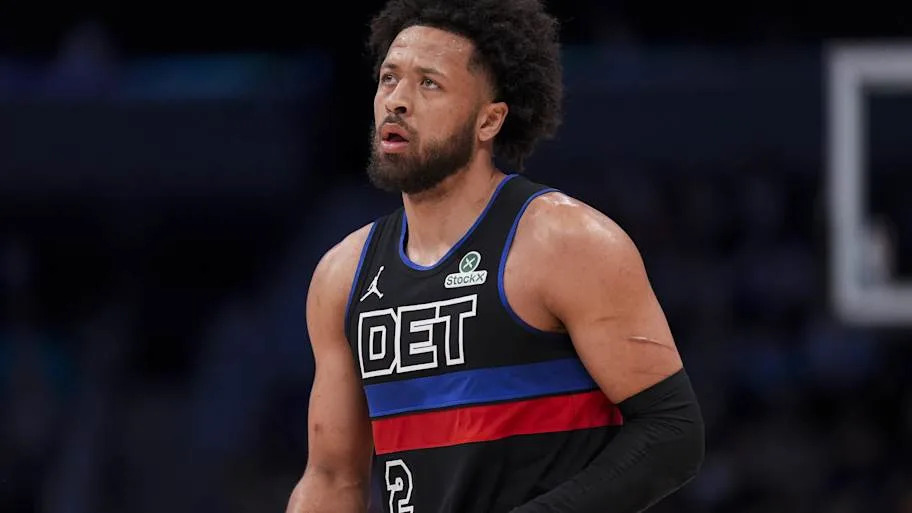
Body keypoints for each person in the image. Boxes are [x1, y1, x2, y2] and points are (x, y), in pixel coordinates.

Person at [286, 1, 704, 511]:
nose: (396, 101)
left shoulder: (565, 241)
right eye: (389, 79)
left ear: (489, 121)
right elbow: (332, 478)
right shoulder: (342, 274)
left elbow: (672, 433)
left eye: (428, 84)